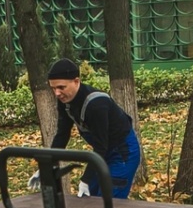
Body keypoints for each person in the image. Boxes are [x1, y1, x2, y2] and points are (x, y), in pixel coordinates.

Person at [29, 58, 141, 199]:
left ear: (76, 81)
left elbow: (101, 145)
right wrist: (46, 166)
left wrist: (86, 179)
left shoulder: (97, 105)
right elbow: (62, 135)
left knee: (110, 202)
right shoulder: (65, 101)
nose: (57, 93)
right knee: (89, 200)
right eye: (53, 88)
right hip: (102, 152)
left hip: (123, 154)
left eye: (61, 87)